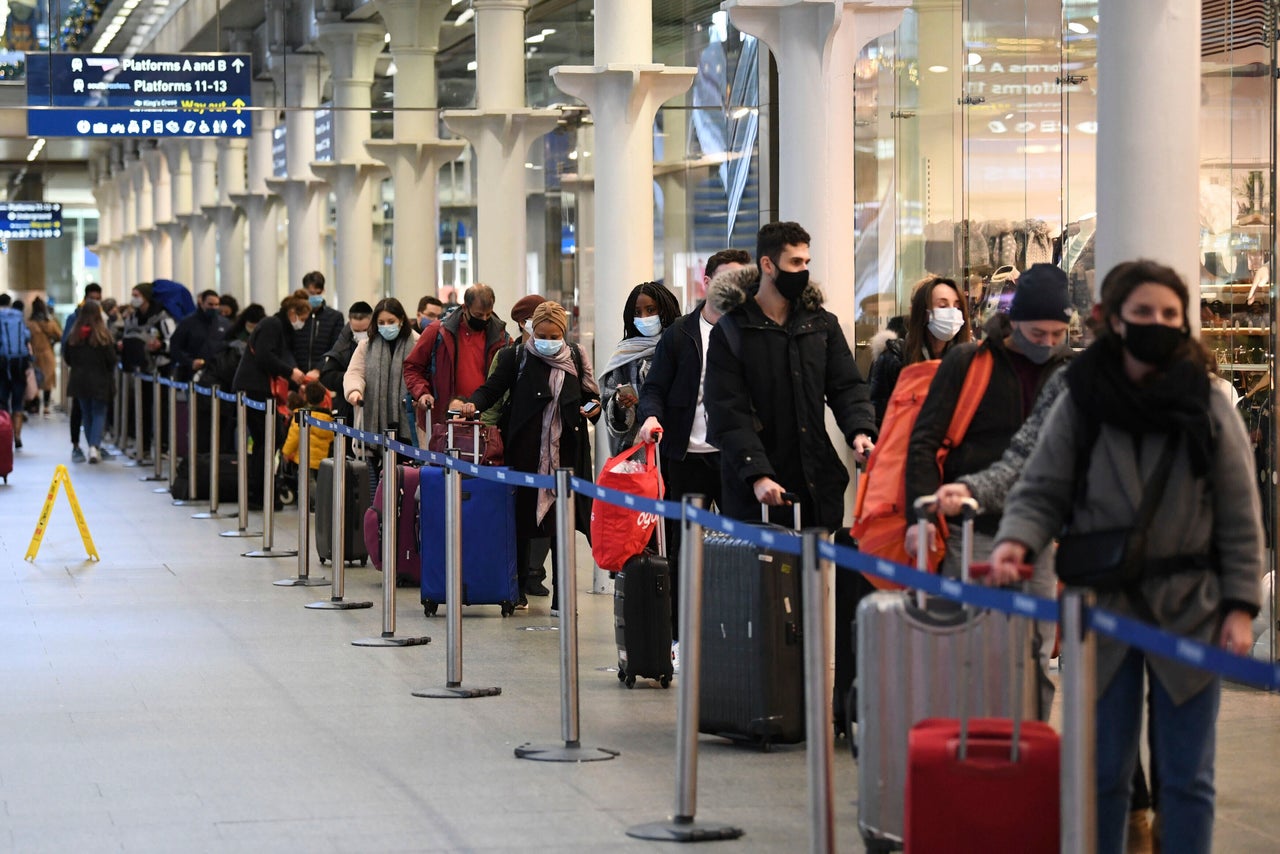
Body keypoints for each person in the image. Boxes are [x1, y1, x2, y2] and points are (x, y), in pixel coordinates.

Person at [988, 259, 1263, 854]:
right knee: (1103, 775)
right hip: (1101, 612)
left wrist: (1240, 606)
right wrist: (1016, 540)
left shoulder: (1209, 404)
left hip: (1192, 609)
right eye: (1143, 313)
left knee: (1188, 779)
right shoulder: (1081, 401)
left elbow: (1242, 515)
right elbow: (1041, 488)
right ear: (1108, 319)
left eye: (1170, 314)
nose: (1158, 323)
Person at [904, 263, 1074, 580]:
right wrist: (919, 519)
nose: (1048, 343)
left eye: (1058, 334)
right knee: (970, 625)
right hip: (971, 528)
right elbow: (924, 442)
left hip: (1040, 534)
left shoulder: (1068, 373)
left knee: (1038, 629)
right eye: (1038, 333)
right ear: (1015, 322)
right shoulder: (968, 362)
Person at [704, 221, 876, 530]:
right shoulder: (732, 331)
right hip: (756, 493)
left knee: (816, 578)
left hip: (816, 487)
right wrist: (757, 474)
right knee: (767, 578)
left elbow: (846, 386)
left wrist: (860, 431)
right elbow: (728, 413)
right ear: (768, 265)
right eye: (795, 262)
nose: (803, 270)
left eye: (806, 262)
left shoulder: (821, 325)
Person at [636, 248, 751, 666]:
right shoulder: (681, 334)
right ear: (706, 284)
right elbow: (655, 388)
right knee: (683, 555)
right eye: (726, 280)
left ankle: (740, 638)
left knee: (742, 549)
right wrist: (651, 417)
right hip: (685, 458)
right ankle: (680, 638)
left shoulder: (755, 331)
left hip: (738, 461)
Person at [449, 301, 600, 612]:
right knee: (519, 522)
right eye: (541, 333)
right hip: (524, 452)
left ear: (564, 332)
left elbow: (591, 396)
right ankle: (515, 590)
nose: (547, 339)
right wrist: (469, 404)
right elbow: (490, 390)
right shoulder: (514, 356)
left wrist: (594, 407)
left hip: (567, 456)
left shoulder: (576, 357)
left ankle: (563, 595)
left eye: (554, 334)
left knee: (562, 526)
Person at [403, 283, 510, 438]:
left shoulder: (502, 338)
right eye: (479, 315)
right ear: (465, 308)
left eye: (489, 314)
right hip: (441, 422)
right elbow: (412, 367)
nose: (485, 319)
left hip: (483, 424)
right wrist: (422, 393)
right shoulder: (437, 332)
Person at [233, 291, 312, 499]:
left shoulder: (281, 329)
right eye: (302, 319)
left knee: (268, 440)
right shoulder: (273, 324)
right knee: (267, 439)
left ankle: (262, 490)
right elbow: (265, 356)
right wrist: (291, 373)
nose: (302, 324)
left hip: (259, 388)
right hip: (255, 387)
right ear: (292, 312)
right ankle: (260, 492)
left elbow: (282, 357)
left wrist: (296, 377)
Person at [868, 276, 972, 425]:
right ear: (923, 312)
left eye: (957, 307)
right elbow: (879, 417)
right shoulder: (895, 357)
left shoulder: (968, 358)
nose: (952, 313)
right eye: (942, 306)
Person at [597, 281, 682, 456]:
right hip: (638, 454)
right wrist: (621, 405)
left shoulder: (680, 347)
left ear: (665, 310)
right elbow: (608, 405)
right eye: (637, 313)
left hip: (677, 448)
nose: (644, 318)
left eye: (651, 310)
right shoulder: (624, 355)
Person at [343, 297, 419, 479]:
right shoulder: (366, 345)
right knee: (376, 480)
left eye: (391, 322)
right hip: (375, 424)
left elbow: (423, 376)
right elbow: (354, 373)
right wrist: (354, 390)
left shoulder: (418, 343)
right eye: (381, 322)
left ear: (401, 319)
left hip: (408, 422)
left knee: (406, 477)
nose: (386, 326)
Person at [120, 281, 178, 462]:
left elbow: (173, 340)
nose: (134, 299)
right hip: (142, 368)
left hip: (161, 367)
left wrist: (161, 345)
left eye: (137, 295)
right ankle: (143, 446)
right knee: (142, 407)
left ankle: (163, 446)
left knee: (162, 408)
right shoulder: (133, 317)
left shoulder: (162, 317)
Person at [63, 300, 117, 464]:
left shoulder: (74, 335)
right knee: (99, 413)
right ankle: (95, 446)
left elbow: (68, 358)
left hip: (79, 380)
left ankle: (92, 447)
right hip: (100, 379)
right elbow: (111, 359)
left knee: (86, 414)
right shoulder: (103, 336)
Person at [63, 283, 104, 462]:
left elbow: (67, 349)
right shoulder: (75, 319)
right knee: (87, 411)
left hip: (80, 375)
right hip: (93, 375)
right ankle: (85, 445)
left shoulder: (97, 320)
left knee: (88, 412)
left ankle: (93, 445)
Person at [319, 301, 373, 421]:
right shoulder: (343, 344)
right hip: (347, 409)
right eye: (356, 331)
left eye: (364, 330)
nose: (360, 335)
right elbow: (327, 376)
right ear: (350, 324)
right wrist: (352, 379)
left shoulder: (379, 343)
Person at [281, 379, 335, 500]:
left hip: (306, 457)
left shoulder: (302, 415)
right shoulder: (328, 418)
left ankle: (321, 502)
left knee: (307, 482)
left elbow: (294, 436)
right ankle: (319, 502)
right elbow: (331, 436)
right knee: (317, 481)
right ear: (322, 399)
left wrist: (286, 452)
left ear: (305, 397)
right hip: (322, 457)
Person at [169, 290, 231, 384]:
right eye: (210, 304)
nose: (214, 307)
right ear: (202, 303)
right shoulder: (187, 323)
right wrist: (190, 362)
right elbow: (175, 347)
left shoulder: (225, 324)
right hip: (191, 375)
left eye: (216, 304)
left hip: (217, 375)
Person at [293, 271, 344, 379]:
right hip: (296, 376)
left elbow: (335, 348)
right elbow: (289, 345)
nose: (315, 296)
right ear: (304, 291)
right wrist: (294, 369)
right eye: (311, 293)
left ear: (323, 291)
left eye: (318, 292)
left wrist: (318, 369)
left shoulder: (335, 317)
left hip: (323, 378)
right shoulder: (295, 316)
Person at [0, 293, 32, 449]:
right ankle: (17, 436)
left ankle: (4, 433)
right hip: (19, 363)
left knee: (3, 401)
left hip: (2, 364)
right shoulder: (18, 316)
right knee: (18, 402)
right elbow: (27, 336)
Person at [25, 296, 61, 414]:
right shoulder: (50, 323)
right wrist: (52, 342)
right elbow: (60, 335)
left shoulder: (29, 323)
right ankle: (46, 406)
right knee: (48, 381)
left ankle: (34, 406)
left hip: (33, 355)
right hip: (47, 354)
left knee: (33, 381)